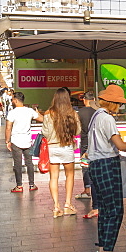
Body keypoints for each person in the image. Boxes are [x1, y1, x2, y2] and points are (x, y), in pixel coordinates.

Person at [90, 84, 126, 252]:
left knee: (105, 210)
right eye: (119, 103)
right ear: (113, 103)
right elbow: (121, 146)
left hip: (96, 165)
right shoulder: (107, 119)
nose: (120, 107)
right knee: (115, 210)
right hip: (107, 164)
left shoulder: (96, 115)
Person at [41, 88, 81, 217]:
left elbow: (45, 133)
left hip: (53, 148)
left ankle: (56, 207)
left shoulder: (48, 114)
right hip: (67, 147)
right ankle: (68, 204)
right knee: (69, 175)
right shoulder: (72, 113)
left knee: (54, 178)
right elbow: (78, 131)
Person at [5, 91, 41, 193]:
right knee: (29, 163)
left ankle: (19, 186)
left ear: (16, 100)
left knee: (17, 164)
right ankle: (32, 184)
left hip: (16, 141)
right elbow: (41, 119)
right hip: (27, 141)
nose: (12, 101)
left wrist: (7, 141)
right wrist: (38, 113)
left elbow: (8, 128)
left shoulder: (12, 112)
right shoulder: (29, 111)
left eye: (12, 99)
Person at [76, 91, 97, 207]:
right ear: (93, 99)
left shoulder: (80, 112)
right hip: (96, 142)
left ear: (84, 100)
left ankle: (87, 189)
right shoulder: (97, 112)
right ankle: (96, 189)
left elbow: (77, 128)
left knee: (85, 167)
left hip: (84, 142)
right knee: (95, 165)